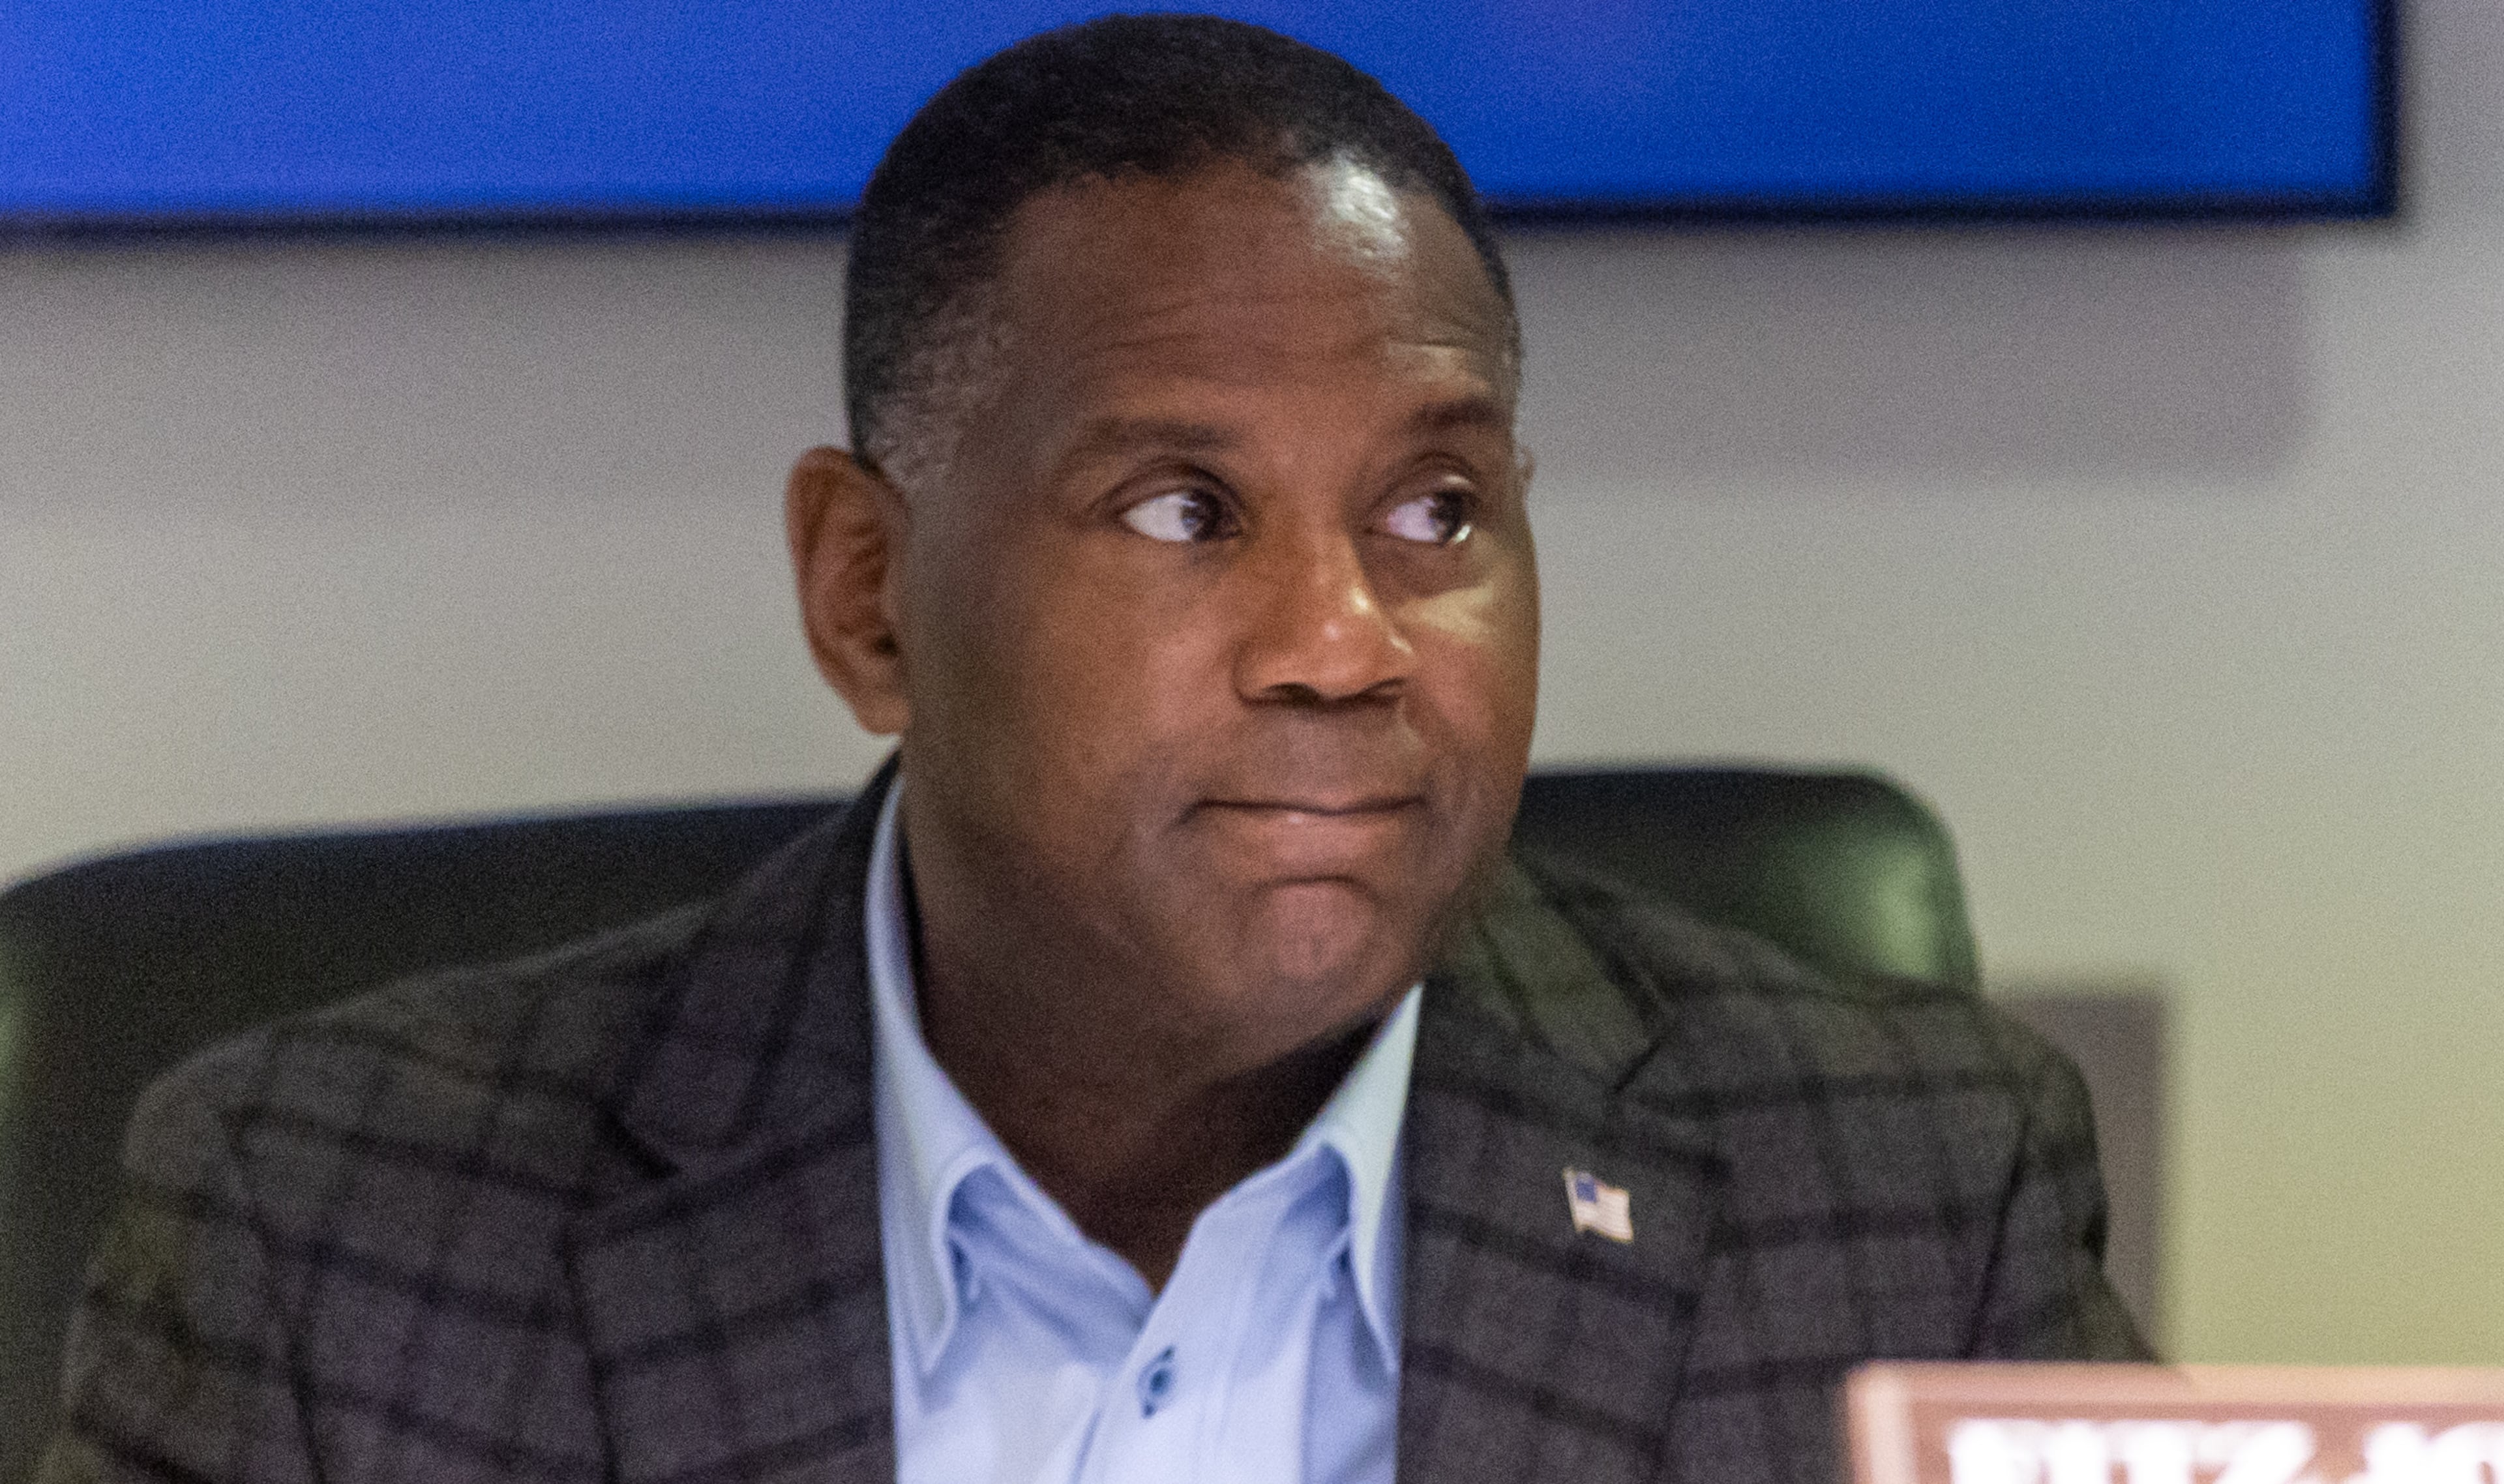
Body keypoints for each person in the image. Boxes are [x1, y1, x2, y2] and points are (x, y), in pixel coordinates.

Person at [38, 16, 2145, 1484]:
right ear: (867, 595)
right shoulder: (335, 1230)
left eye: (1436, 512)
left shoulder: (1903, 1195)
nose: (1346, 645)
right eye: (1181, 511)